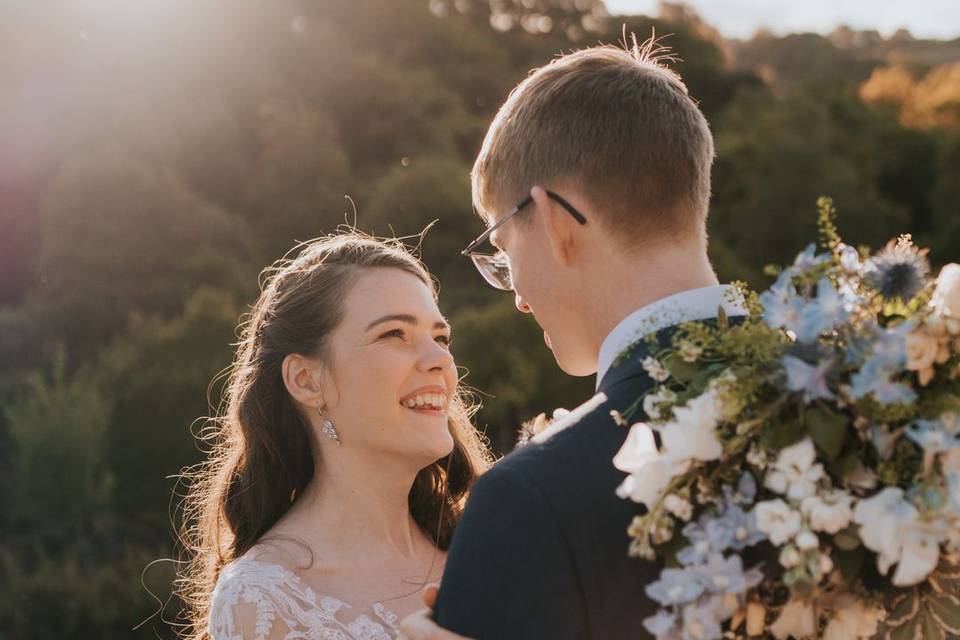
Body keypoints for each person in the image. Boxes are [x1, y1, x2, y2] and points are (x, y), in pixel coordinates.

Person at [400, 40, 747, 639]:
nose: (517, 295)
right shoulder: (878, 410)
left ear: (555, 220)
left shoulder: (530, 501)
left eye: (504, 251)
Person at [175, 233, 492, 640]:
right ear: (307, 381)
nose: (441, 360)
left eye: (441, 337)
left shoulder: (491, 549)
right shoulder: (263, 600)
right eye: (394, 333)